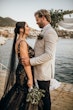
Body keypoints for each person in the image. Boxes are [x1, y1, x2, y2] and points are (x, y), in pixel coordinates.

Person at [23, 9, 58, 110]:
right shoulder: (44, 31)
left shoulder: (50, 32)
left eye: (37, 19)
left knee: (45, 99)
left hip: (43, 73)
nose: (36, 22)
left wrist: (30, 61)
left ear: (43, 18)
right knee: (41, 99)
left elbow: (49, 55)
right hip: (38, 71)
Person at [0, 22, 34, 110]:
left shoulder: (18, 41)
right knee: (22, 95)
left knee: (19, 93)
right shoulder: (22, 42)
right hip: (24, 72)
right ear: (21, 29)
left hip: (21, 71)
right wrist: (30, 79)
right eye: (27, 26)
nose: (29, 28)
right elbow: (25, 63)